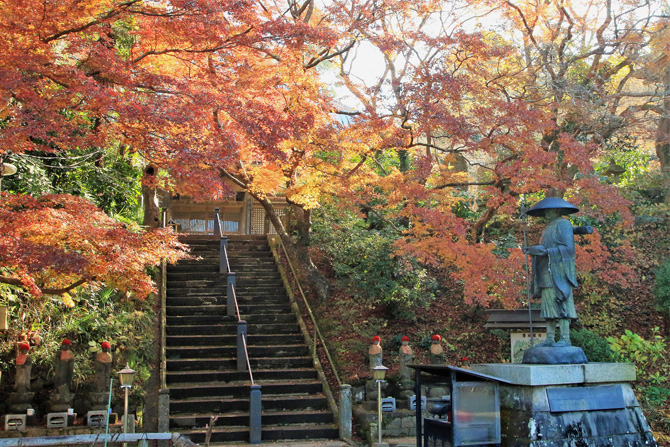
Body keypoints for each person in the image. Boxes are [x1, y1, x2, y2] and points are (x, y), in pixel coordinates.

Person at [523, 197, 580, 347]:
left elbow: (569, 250)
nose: (546, 214)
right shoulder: (548, 228)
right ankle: (549, 338)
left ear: (556, 210)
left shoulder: (564, 224)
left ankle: (565, 338)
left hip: (559, 272)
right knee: (548, 306)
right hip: (546, 270)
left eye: (548, 211)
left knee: (561, 303)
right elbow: (544, 249)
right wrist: (535, 251)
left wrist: (546, 252)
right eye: (545, 211)